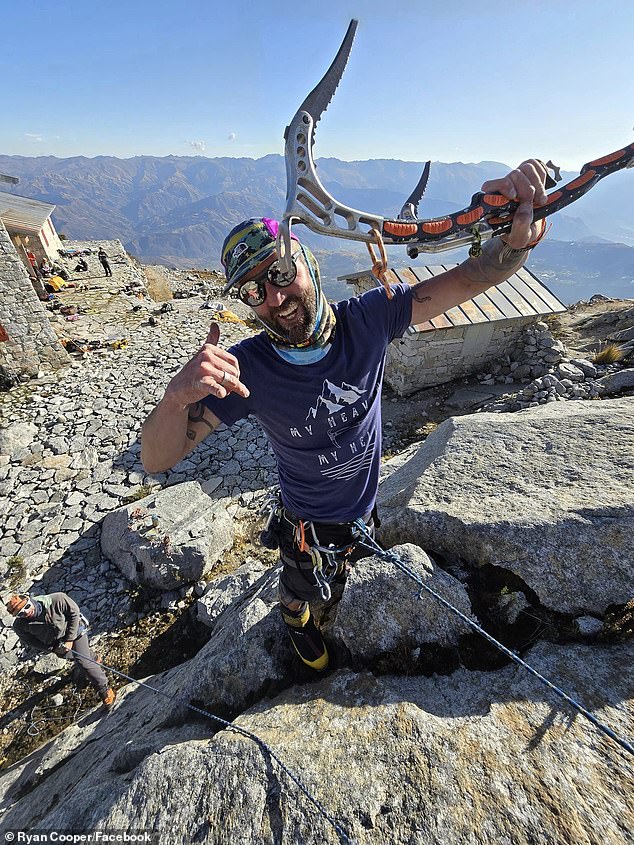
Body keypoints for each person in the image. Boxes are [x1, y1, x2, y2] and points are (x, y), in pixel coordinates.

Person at [141, 160, 549, 671]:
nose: (274, 298)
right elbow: (158, 459)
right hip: (307, 525)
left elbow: (476, 275)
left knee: (344, 570)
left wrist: (514, 237)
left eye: (280, 273)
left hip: (366, 508)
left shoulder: (370, 320)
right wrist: (176, 397)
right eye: (253, 292)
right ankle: (295, 616)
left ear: (306, 263)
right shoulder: (247, 370)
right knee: (301, 588)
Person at [5, 592, 116, 707]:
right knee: (77, 657)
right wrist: (53, 648)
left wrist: (69, 640)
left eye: (27, 606)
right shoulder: (19, 626)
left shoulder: (57, 599)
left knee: (83, 662)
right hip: (57, 644)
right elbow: (31, 641)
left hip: (76, 631)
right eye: (21, 613)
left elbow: (74, 613)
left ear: (30, 600)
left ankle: (105, 690)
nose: (27, 612)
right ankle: (94, 658)